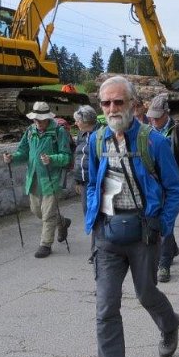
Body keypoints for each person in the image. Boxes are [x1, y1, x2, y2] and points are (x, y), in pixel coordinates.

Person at [84, 76, 179, 357]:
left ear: (133, 104)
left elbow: (174, 187)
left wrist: (163, 225)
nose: (112, 109)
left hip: (143, 235)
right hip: (108, 236)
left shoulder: (152, 142)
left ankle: (170, 325)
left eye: (119, 102)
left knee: (145, 293)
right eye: (106, 103)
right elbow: (91, 186)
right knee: (105, 308)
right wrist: (94, 220)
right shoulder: (97, 141)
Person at [2, 101, 72, 259]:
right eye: (35, 119)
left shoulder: (58, 132)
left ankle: (45, 244)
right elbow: (23, 152)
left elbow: (67, 157)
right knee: (36, 211)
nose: (37, 122)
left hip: (51, 178)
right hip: (33, 177)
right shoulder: (30, 131)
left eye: (40, 120)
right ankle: (62, 222)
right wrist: (12, 158)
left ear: (48, 118)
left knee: (47, 214)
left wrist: (52, 159)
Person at [147, 94, 179, 283]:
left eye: (157, 116)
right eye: (152, 116)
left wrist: (169, 173)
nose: (154, 120)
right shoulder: (147, 132)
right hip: (152, 187)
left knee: (166, 221)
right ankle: (171, 249)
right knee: (161, 220)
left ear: (167, 113)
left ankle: (163, 264)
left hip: (170, 186)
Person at [73, 105, 102, 262]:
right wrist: (77, 180)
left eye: (77, 120)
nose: (75, 123)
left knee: (97, 214)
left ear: (85, 120)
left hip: (97, 182)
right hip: (84, 183)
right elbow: (78, 158)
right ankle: (97, 248)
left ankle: (96, 250)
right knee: (89, 215)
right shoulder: (81, 134)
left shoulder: (100, 135)